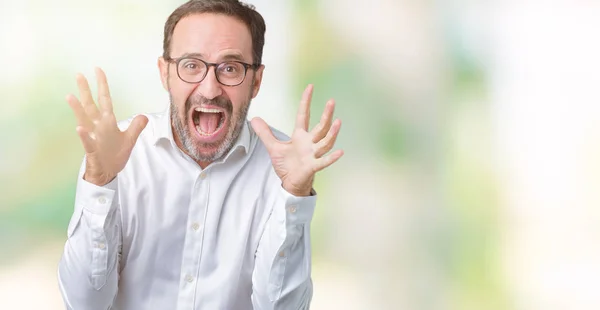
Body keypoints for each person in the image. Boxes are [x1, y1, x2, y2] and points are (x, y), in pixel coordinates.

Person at [57, 0, 343, 309]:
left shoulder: (284, 168)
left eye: (230, 68)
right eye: (191, 65)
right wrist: (100, 181)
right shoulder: (114, 154)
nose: (209, 88)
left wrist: (295, 195)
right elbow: (84, 304)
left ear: (256, 81)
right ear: (165, 73)